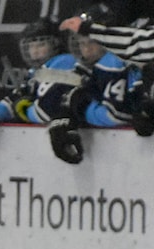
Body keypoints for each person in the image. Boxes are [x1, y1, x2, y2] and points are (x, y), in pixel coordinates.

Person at [0, 17, 79, 152]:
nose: (35, 51)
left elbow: (47, 111)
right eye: (31, 45)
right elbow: (17, 98)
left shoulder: (64, 63)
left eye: (41, 44)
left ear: (56, 43)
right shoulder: (38, 72)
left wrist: (22, 111)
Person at [47, 4, 141, 163]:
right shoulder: (84, 69)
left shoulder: (117, 63)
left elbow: (116, 115)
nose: (86, 50)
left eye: (92, 42)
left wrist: (81, 109)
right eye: (82, 43)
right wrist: (66, 115)